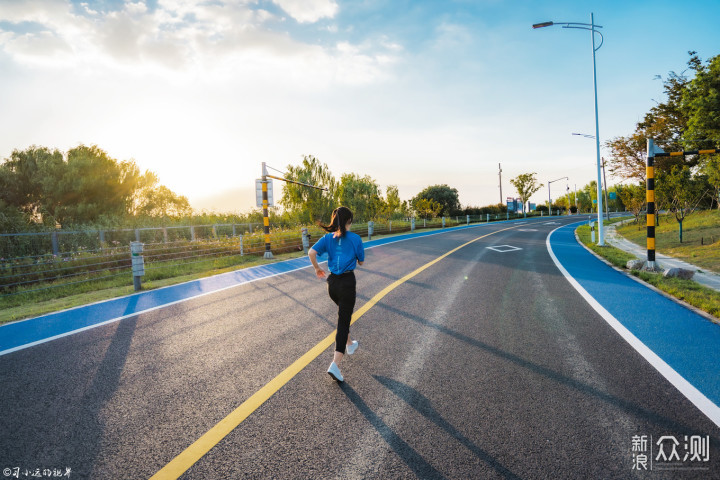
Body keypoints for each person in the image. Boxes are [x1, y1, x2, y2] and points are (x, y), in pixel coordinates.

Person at [308, 206, 365, 382]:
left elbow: (311, 252)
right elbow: (361, 261)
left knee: (343, 315)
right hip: (347, 283)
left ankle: (349, 344)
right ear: (349, 221)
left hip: (332, 284)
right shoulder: (355, 238)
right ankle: (335, 364)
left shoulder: (327, 238)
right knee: (343, 321)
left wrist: (317, 268)